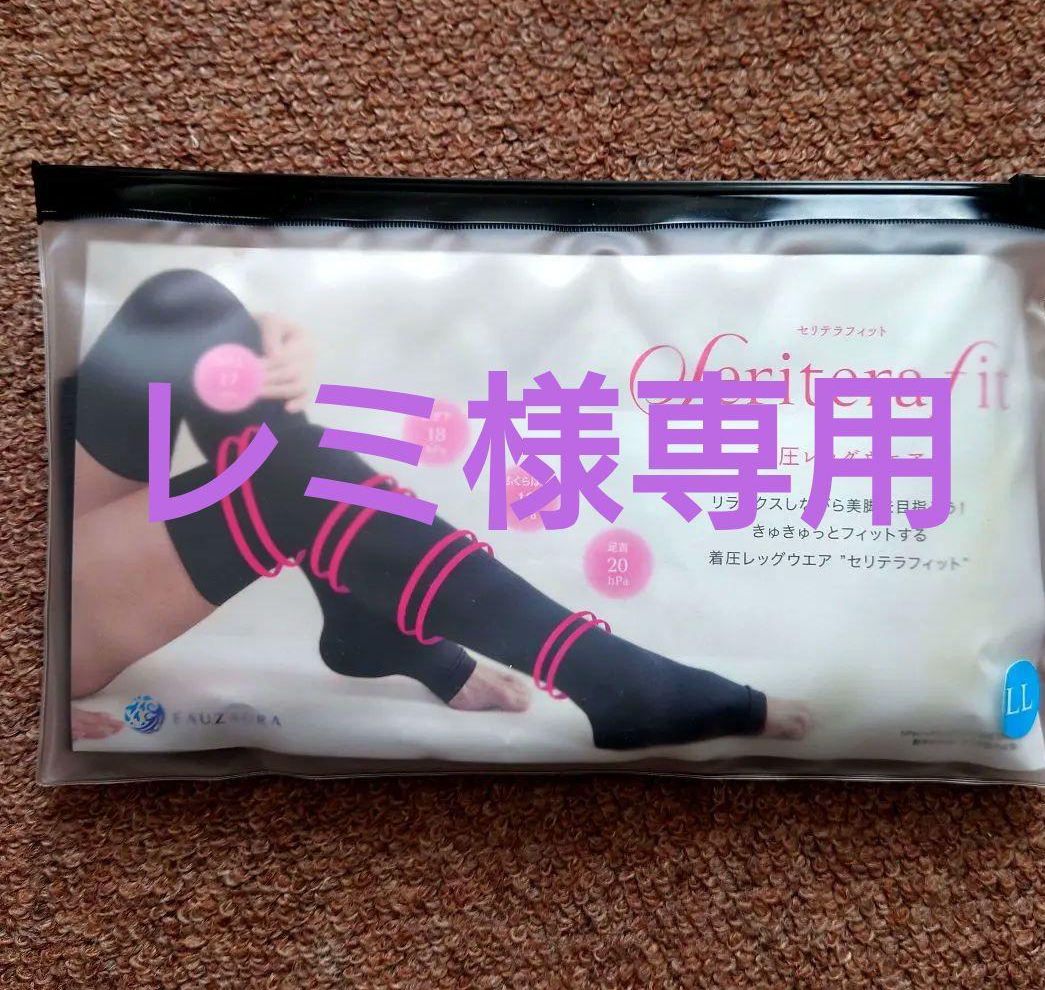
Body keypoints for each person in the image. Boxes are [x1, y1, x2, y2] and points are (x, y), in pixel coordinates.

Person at [69, 270, 811, 751]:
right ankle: (603, 674)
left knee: (186, 308)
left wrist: (251, 344)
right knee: (293, 475)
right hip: (49, 617)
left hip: (65, 529)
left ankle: (371, 624)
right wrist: (24, 699)